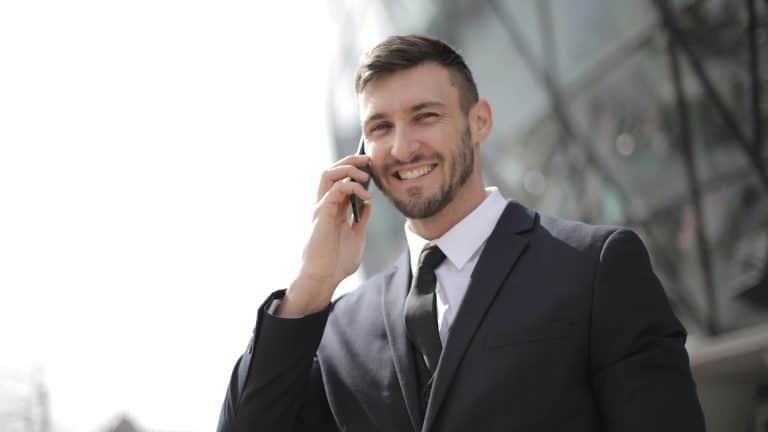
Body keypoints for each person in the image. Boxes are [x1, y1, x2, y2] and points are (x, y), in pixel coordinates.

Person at [217, 34, 705, 432]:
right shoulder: (339, 330)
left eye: (425, 116)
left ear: (479, 122)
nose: (404, 147)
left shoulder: (595, 267)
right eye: (381, 127)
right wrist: (313, 283)